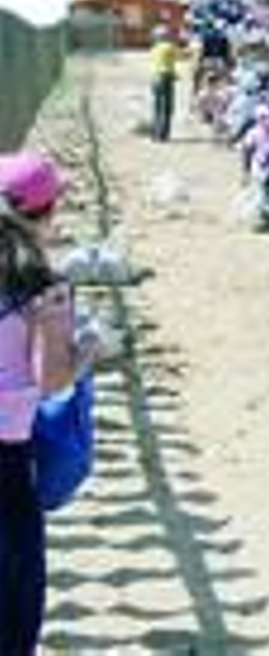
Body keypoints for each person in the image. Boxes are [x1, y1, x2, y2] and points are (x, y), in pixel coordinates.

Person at [0, 151, 86, 653]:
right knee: (13, 613)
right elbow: (51, 381)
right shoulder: (44, 288)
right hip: (8, 467)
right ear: (45, 214)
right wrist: (86, 354)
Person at [149, 24, 181, 142]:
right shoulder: (169, 47)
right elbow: (180, 56)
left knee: (157, 107)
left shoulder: (154, 48)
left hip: (155, 77)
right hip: (166, 78)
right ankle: (163, 134)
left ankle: (154, 133)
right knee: (167, 108)